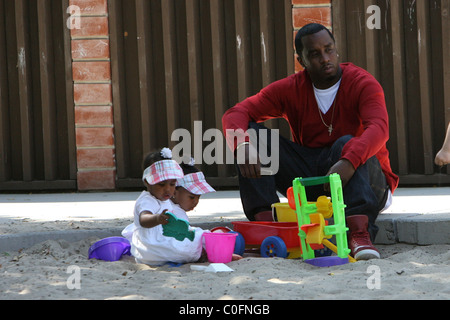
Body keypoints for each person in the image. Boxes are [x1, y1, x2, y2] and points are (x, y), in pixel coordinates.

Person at [222, 23, 399, 261]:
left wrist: (348, 160)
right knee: (252, 135)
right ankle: (265, 227)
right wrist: (242, 145)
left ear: (336, 49)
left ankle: (358, 233)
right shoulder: (292, 88)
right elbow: (235, 113)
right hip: (317, 178)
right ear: (301, 60)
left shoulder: (362, 82)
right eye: (314, 54)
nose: (325, 58)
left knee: (347, 142)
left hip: (365, 180)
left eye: (329, 49)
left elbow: (379, 129)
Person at [122, 148, 206, 266]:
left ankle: (208, 249)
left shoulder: (165, 200)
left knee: (200, 234)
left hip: (161, 241)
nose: (168, 189)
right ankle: (200, 254)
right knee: (182, 248)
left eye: (172, 184)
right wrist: (157, 219)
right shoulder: (147, 200)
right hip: (150, 246)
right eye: (161, 184)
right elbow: (143, 218)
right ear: (147, 181)